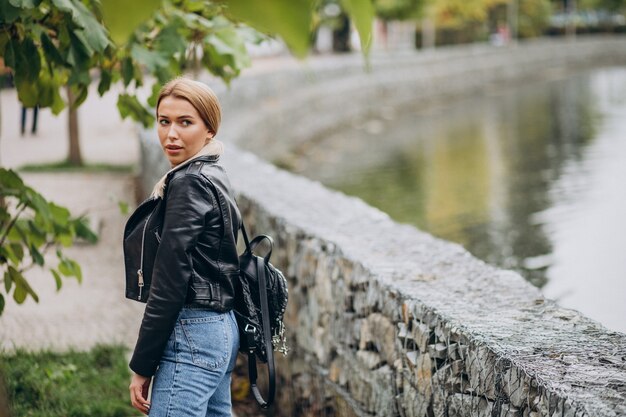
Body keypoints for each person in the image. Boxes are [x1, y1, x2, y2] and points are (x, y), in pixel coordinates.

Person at [124, 77, 241, 416]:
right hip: (220, 328)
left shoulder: (188, 183)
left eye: (185, 122)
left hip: (194, 333)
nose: (171, 134)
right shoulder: (211, 172)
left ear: (209, 130)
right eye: (164, 121)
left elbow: (170, 281)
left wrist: (142, 364)